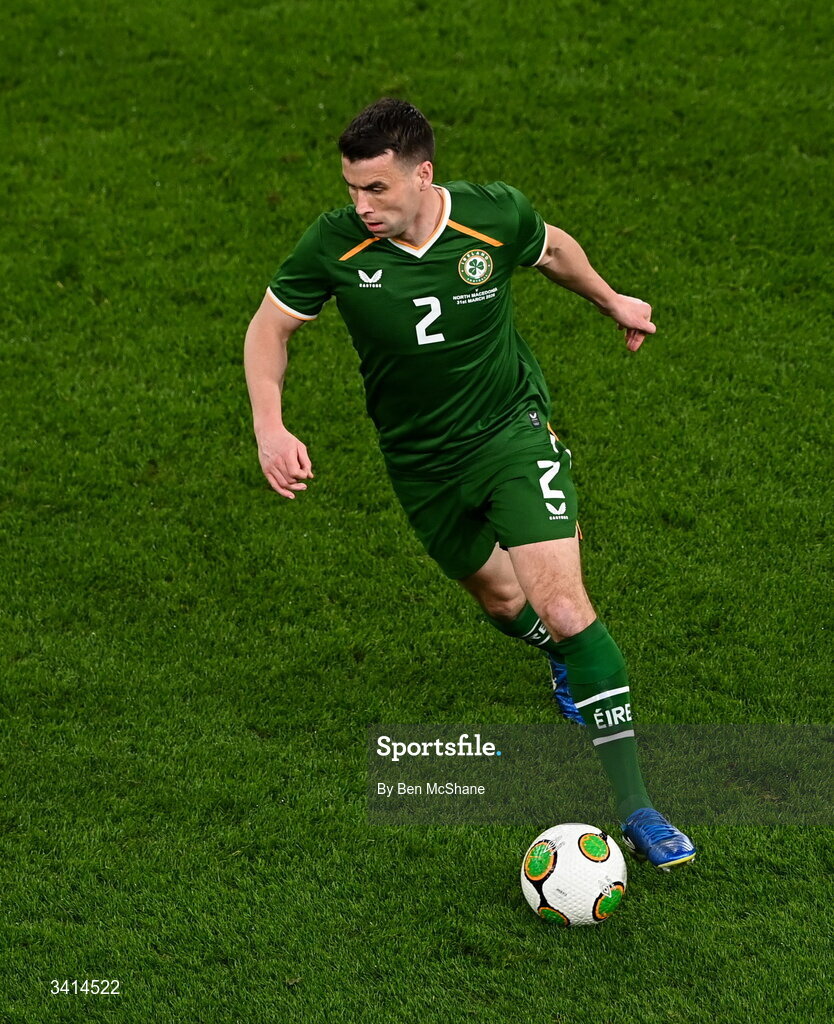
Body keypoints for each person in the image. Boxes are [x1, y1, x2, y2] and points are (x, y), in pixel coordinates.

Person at [244, 98, 696, 870]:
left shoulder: (492, 217)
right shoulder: (333, 244)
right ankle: (561, 659)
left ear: (422, 175)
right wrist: (270, 425)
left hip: (508, 432)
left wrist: (612, 298)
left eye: (377, 189)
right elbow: (270, 327)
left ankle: (637, 806)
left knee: (561, 601)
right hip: (419, 460)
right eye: (353, 189)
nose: (361, 205)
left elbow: (553, 251)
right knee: (504, 600)